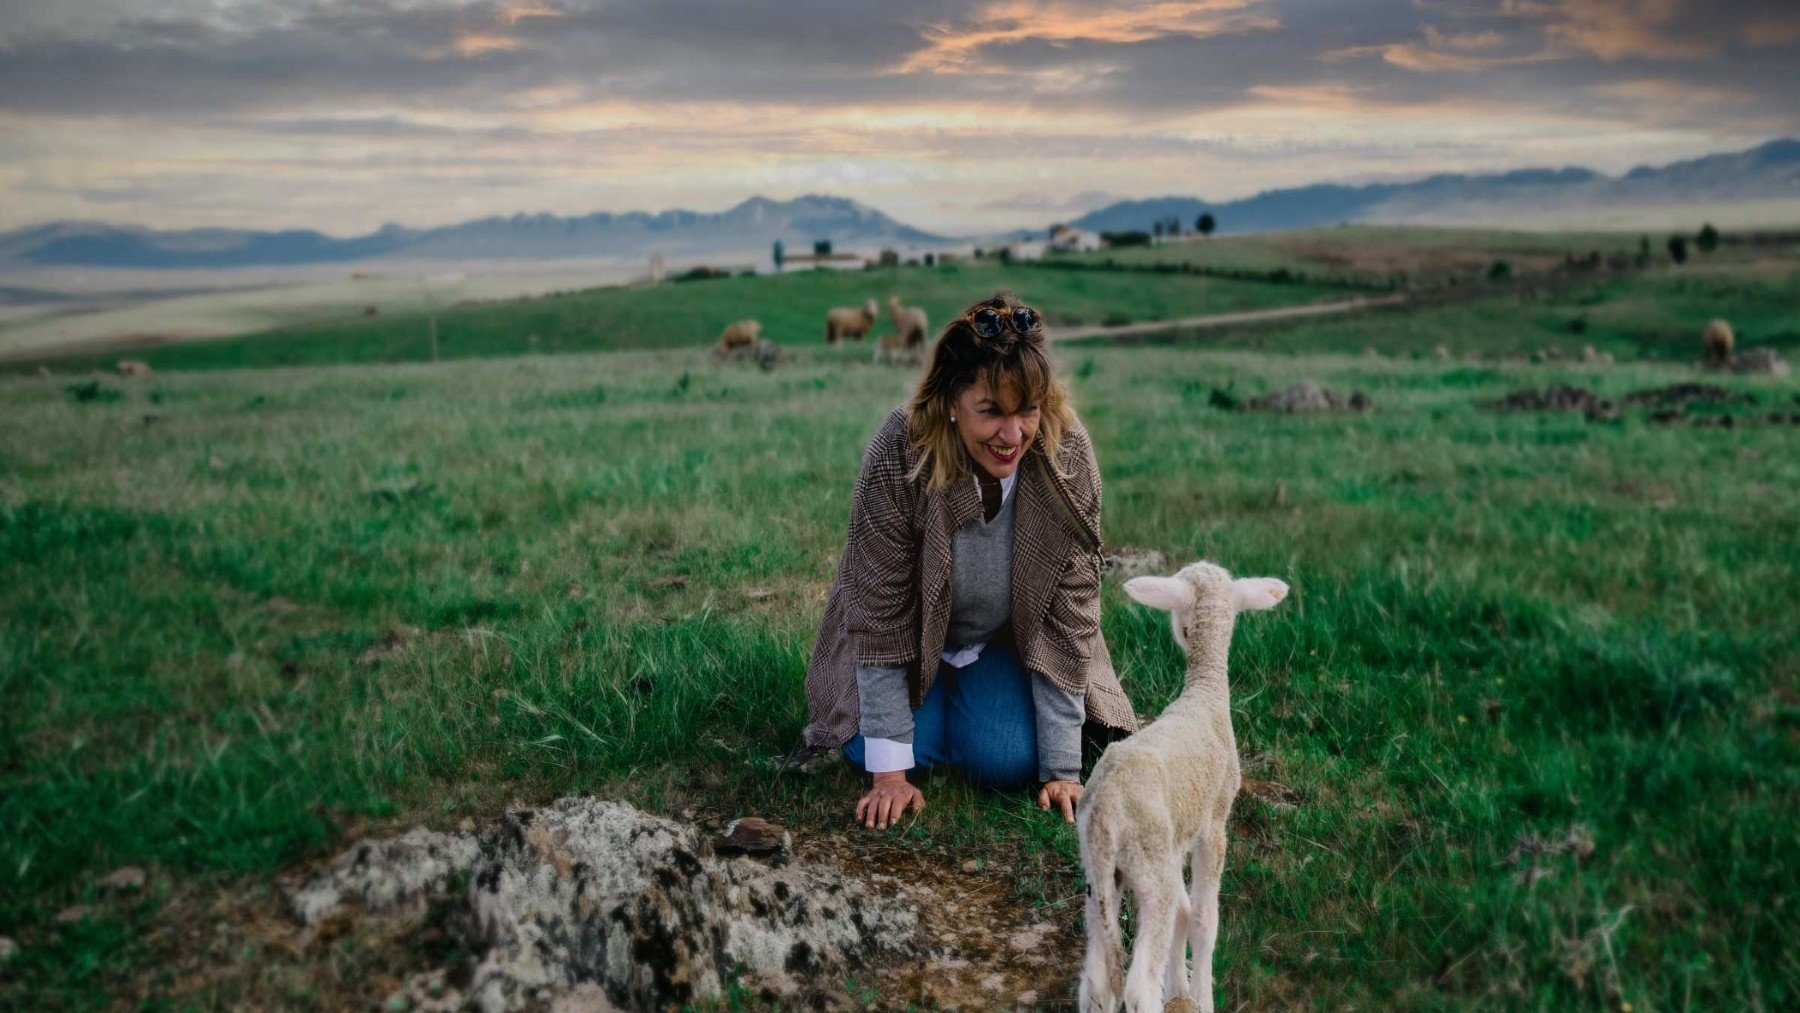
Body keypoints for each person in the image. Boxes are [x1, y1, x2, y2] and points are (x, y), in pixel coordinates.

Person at [799, 292, 1137, 830]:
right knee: (872, 751)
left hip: (1005, 638)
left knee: (1007, 760)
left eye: (1028, 410)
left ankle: (968, 710)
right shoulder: (898, 451)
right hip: (904, 639)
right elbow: (878, 609)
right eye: (991, 412)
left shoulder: (1067, 457)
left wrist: (1062, 767)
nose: (1013, 436)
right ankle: (927, 719)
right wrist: (890, 777)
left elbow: (1071, 615)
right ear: (952, 402)